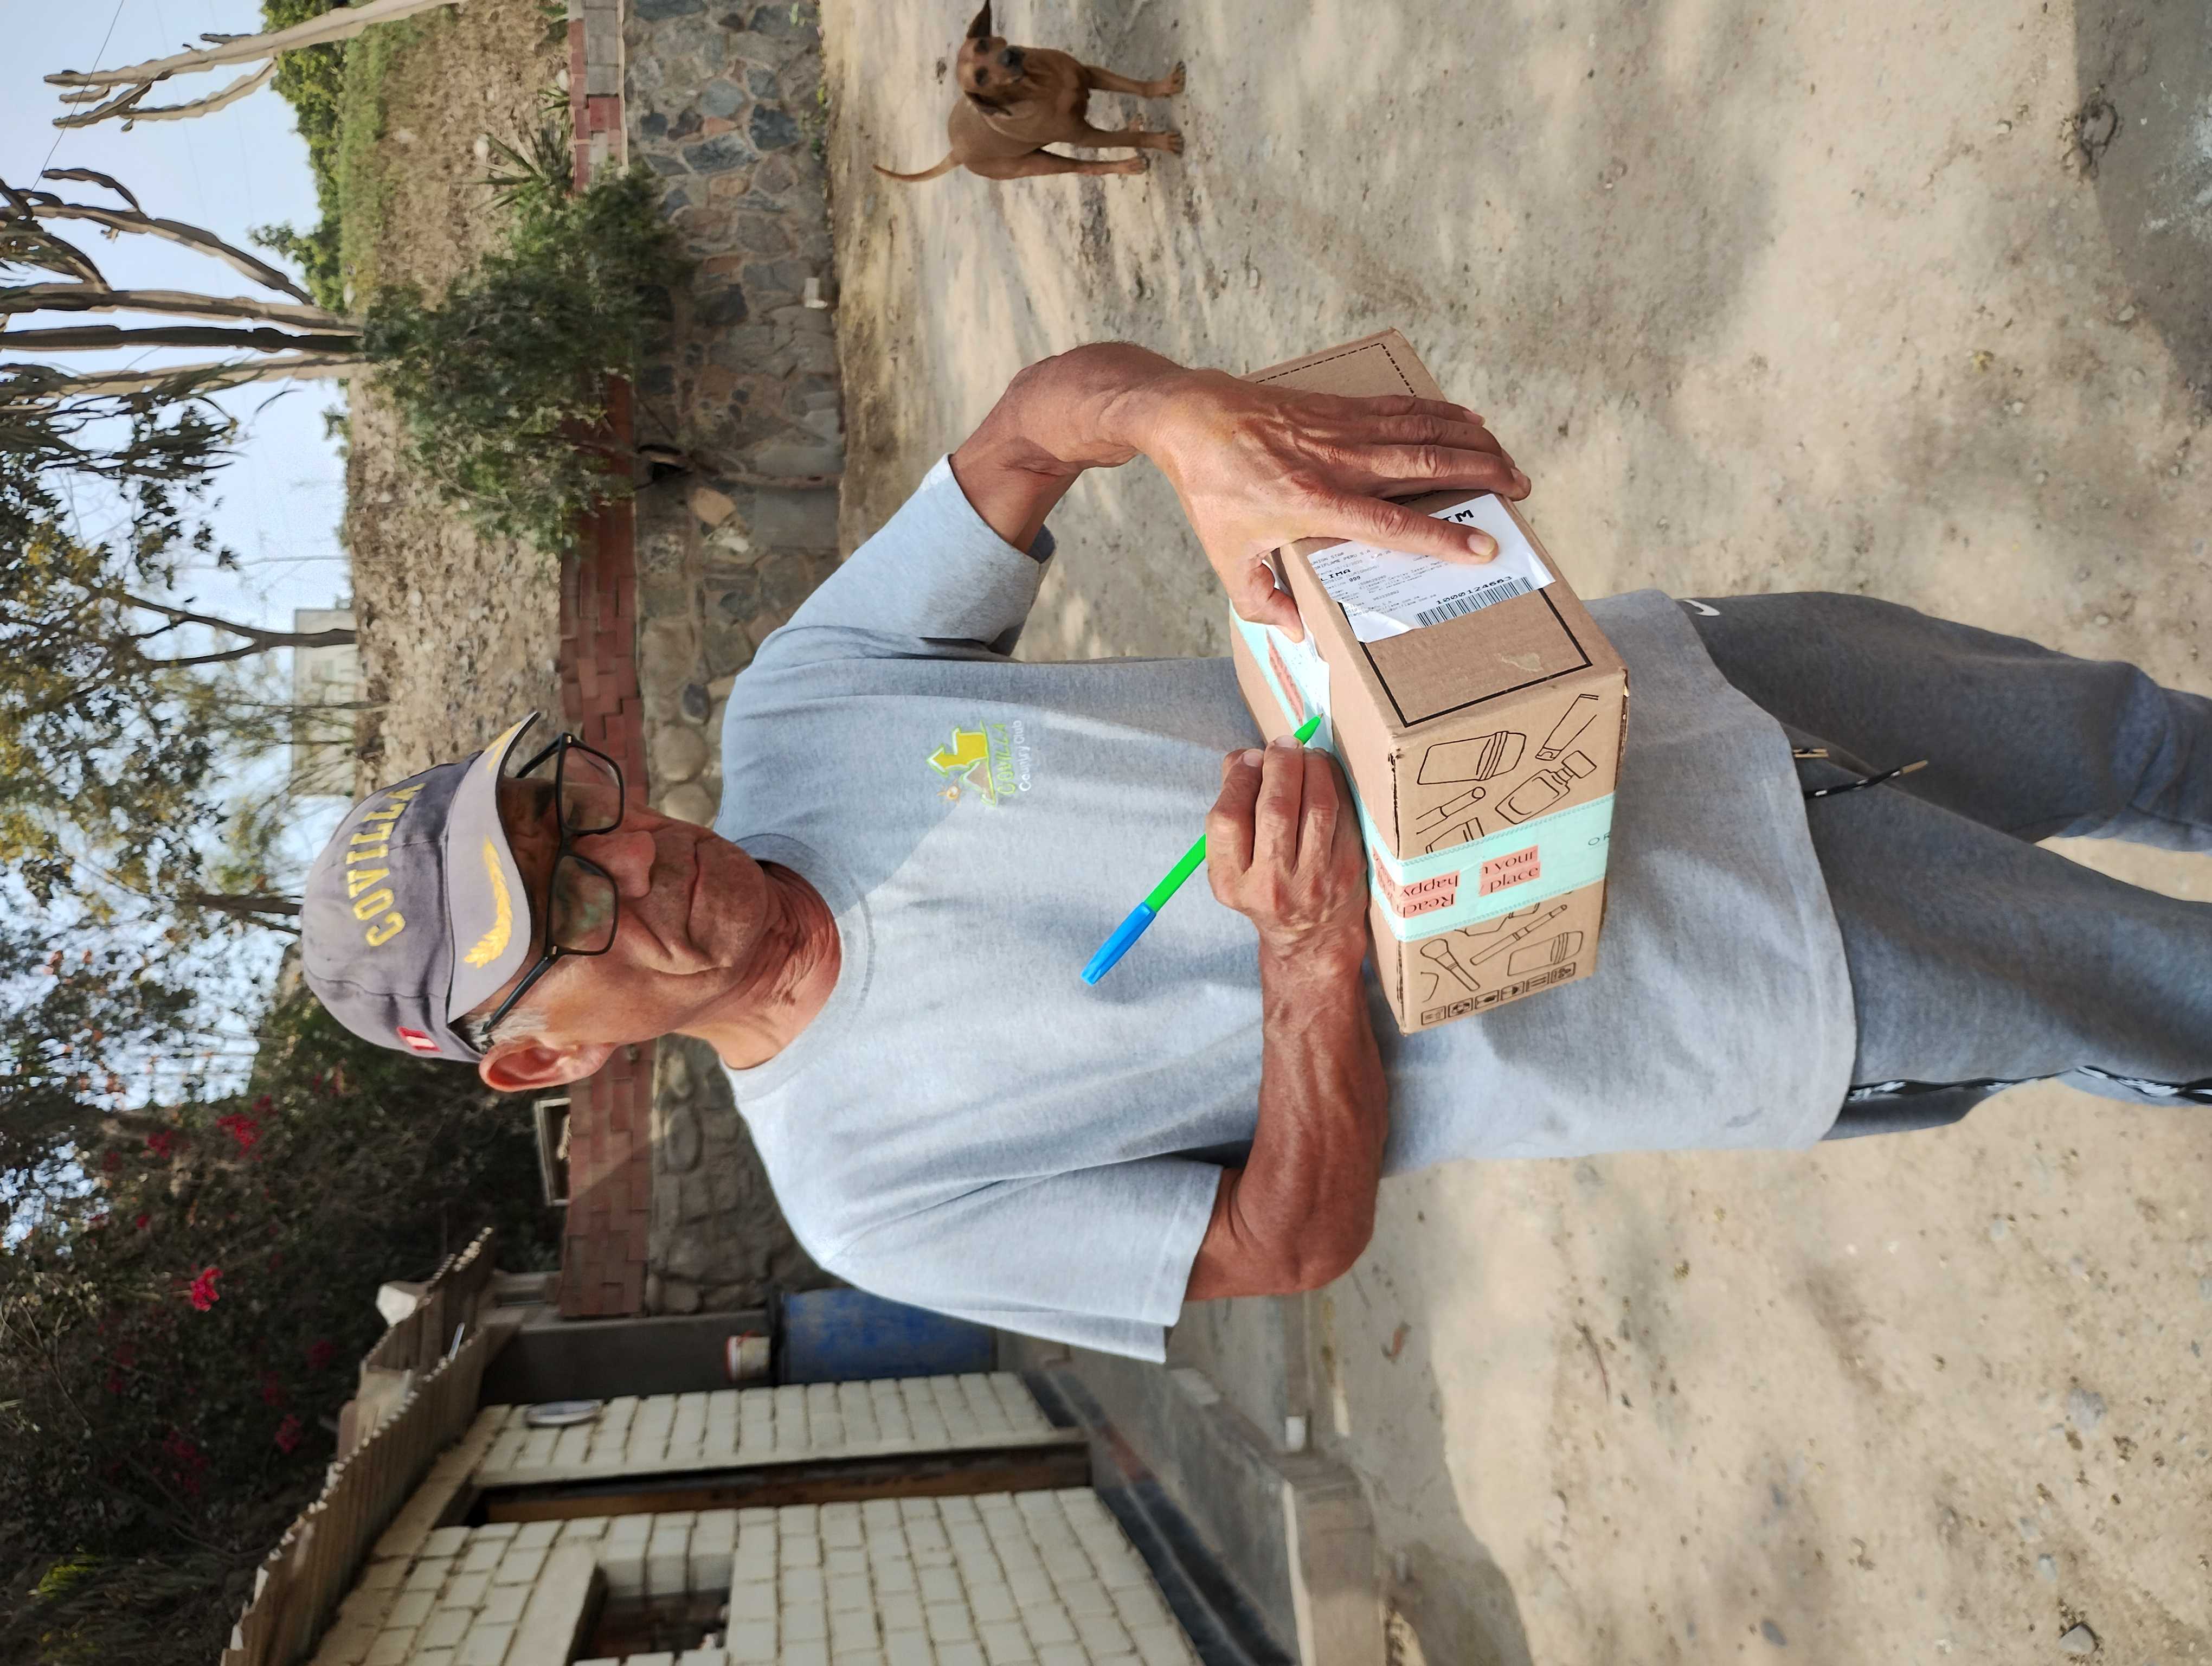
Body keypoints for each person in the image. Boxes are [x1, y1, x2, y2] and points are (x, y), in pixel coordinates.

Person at [300, 344, 2212, 1361]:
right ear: (539, 1059)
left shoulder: (811, 706)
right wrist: (1311, 963)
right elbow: (1282, 1248)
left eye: (580, 812)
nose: (640, 858)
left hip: (1666, 682)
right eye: (571, 908)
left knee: (2137, 739)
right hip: (1739, 976)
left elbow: (1035, 428)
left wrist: (1187, 427)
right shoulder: (871, 1195)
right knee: (2174, 993)